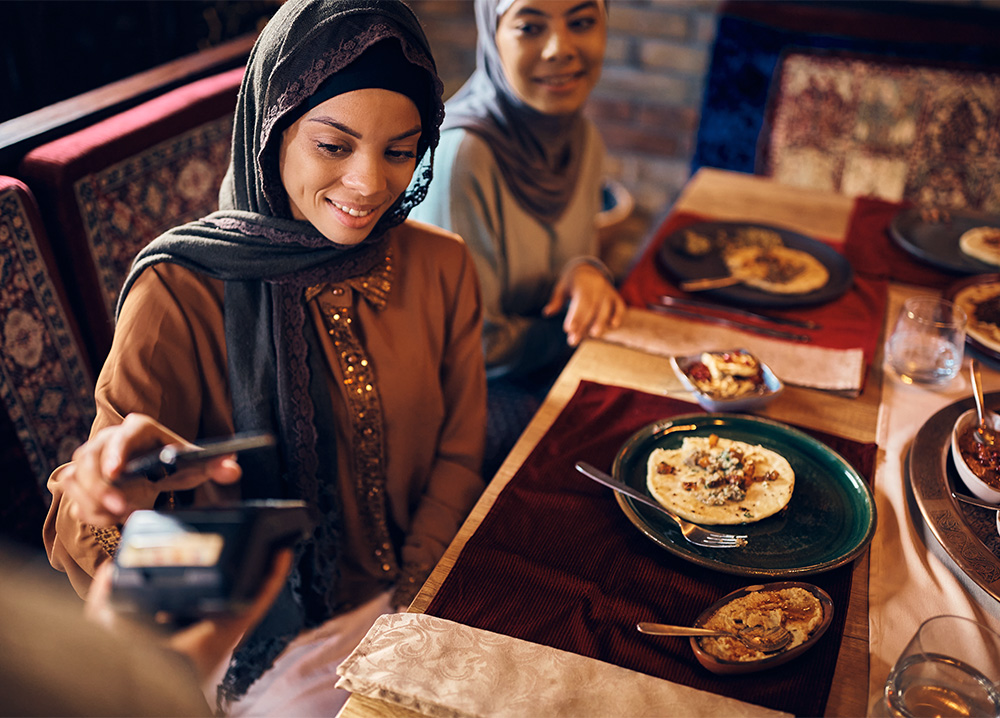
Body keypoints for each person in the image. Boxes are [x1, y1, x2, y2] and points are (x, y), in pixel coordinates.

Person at [42, 0, 487, 712]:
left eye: (400, 150)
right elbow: (92, 499)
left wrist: (409, 608)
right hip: (254, 637)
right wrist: (108, 500)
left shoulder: (444, 267)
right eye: (334, 146)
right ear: (270, 131)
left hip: (423, 596)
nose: (371, 184)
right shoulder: (179, 291)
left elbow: (460, 453)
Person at [408, 0, 624, 476]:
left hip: (543, 362)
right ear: (492, 34)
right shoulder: (463, 158)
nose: (558, 49)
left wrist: (585, 271)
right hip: (465, 401)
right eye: (530, 26)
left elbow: (576, 257)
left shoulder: (582, 138)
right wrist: (578, 333)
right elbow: (475, 350)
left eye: (582, 22)